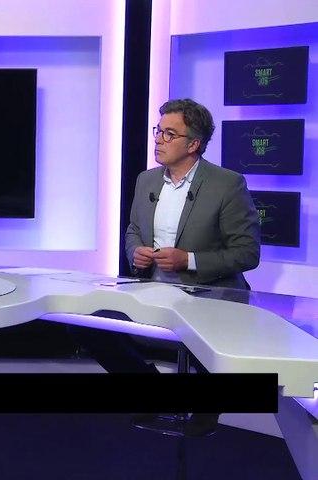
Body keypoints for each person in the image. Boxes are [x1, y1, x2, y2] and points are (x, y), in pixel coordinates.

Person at [71, 98, 261, 436]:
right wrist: (136, 252)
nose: (158, 139)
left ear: (193, 144)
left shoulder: (227, 184)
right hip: (152, 290)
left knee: (204, 333)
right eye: (158, 131)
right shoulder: (146, 180)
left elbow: (247, 253)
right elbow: (133, 230)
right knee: (83, 322)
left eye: (169, 134)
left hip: (208, 295)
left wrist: (188, 260)